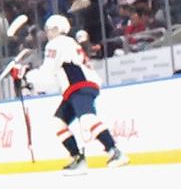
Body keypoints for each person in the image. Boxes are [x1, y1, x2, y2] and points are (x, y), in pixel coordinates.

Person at [42, 14, 123, 170]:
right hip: (77, 87)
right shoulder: (68, 43)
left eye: (50, 30)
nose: (47, 34)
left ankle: (114, 151)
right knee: (58, 122)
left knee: (86, 119)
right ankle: (78, 158)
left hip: (79, 86)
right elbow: (52, 77)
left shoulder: (57, 43)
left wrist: (26, 75)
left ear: (57, 29)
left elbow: (46, 71)